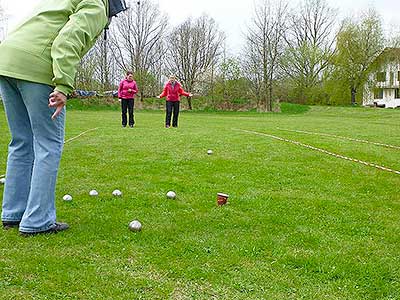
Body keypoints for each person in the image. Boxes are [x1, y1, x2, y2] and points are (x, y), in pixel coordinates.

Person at [0, 0, 127, 235]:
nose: (111, 20)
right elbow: (68, 40)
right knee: (48, 144)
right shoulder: (97, 4)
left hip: (7, 60)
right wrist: (62, 84)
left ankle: (13, 213)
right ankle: (37, 221)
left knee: (21, 142)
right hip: (36, 66)